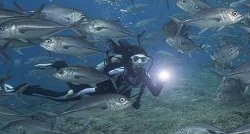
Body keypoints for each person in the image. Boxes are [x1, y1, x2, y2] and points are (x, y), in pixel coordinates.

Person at [18, 40, 163, 109]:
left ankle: (61, 66)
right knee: (60, 97)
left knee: (68, 90)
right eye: (136, 59)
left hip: (109, 100)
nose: (140, 62)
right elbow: (99, 75)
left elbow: (155, 92)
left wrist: (162, 81)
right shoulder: (119, 68)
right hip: (93, 92)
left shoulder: (144, 74)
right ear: (129, 59)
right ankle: (20, 89)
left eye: (143, 60)